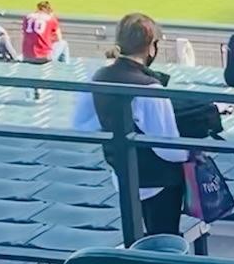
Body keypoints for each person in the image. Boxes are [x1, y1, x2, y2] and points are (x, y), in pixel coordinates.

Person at [70, 14, 190, 236]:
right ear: (151, 47)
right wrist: (193, 153)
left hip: (122, 174)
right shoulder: (150, 87)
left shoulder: (98, 77)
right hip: (158, 181)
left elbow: (82, 124)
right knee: (164, 240)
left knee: (135, 235)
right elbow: (169, 148)